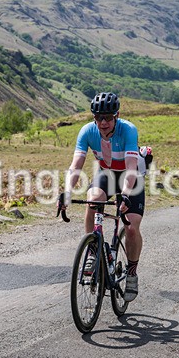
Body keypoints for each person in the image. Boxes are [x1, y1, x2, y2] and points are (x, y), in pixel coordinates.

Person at [58, 92, 144, 302]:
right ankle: (93, 252)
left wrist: (124, 195)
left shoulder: (128, 130)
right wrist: (67, 191)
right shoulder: (87, 131)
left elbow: (131, 167)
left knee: (131, 228)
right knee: (94, 198)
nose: (103, 122)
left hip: (131, 177)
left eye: (108, 117)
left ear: (117, 115)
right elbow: (76, 165)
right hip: (106, 174)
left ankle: (131, 273)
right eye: (98, 117)